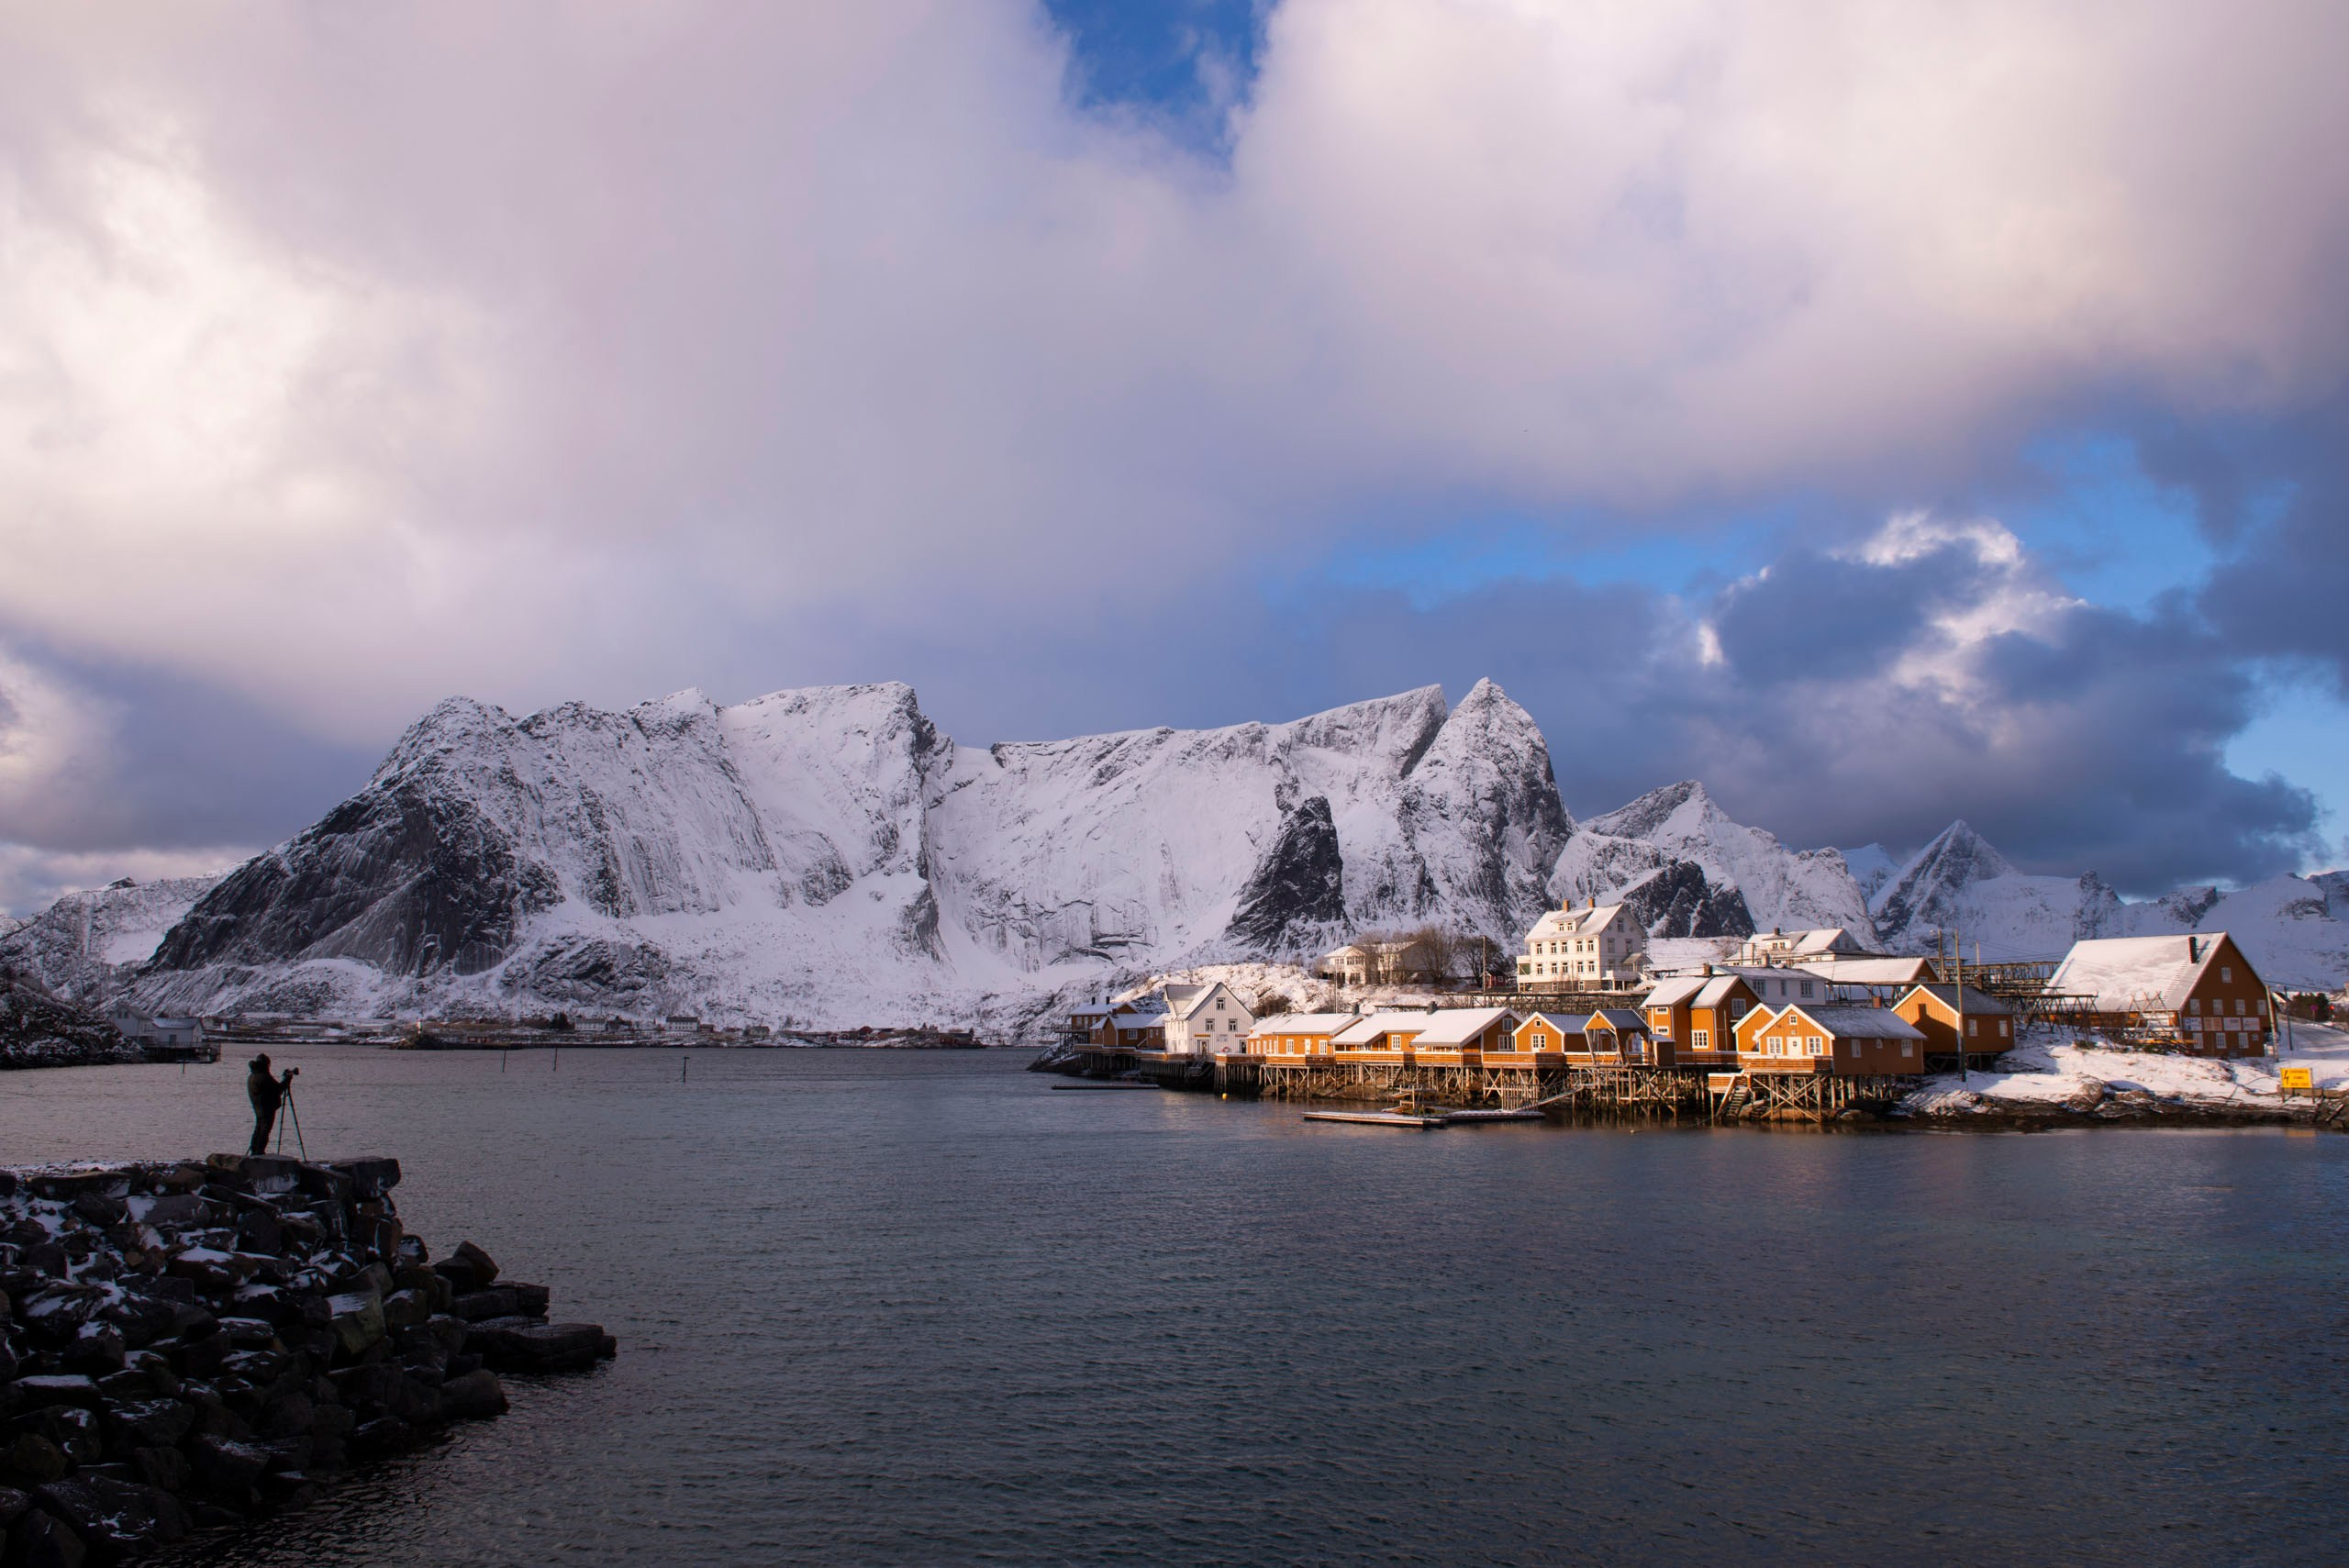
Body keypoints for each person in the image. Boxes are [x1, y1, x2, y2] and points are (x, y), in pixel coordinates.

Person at [246, 1054, 295, 1156]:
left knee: (259, 1129)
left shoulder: (253, 1075)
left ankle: (254, 1151)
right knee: (264, 1130)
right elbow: (278, 1089)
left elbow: (273, 1088)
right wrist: (287, 1079)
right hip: (266, 1107)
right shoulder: (263, 1076)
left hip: (258, 1107)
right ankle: (259, 1152)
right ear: (266, 1064)